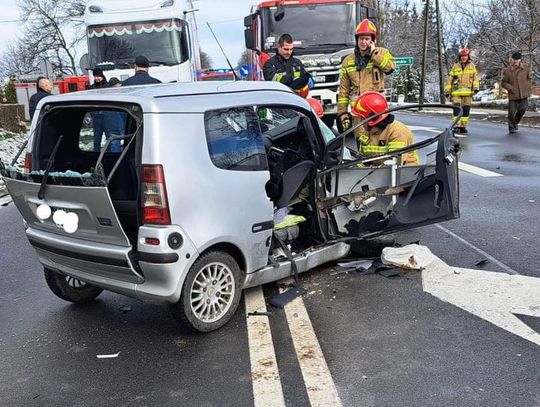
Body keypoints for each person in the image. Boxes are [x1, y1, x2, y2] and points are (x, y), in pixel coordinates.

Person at [337, 19, 395, 135]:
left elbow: (390, 68)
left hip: (378, 111)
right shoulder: (348, 61)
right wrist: (342, 113)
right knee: (362, 143)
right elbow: (344, 90)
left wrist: (374, 54)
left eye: (367, 39)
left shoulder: (381, 53)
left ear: (373, 40)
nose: (363, 42)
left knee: (380, 141)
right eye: (361, 38)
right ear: (357, 40)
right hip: (358, 113)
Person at [351, 91, 419, 166]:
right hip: (377, 173)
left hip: (404, 175)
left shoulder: (397, 132)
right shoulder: (367, 132)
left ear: (372, 119)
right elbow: (363, 159)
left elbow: (394, 165)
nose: (360, 122)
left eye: (362, 119)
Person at [263, 34, 312, 98]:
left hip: (297, 99)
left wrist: (309, 80)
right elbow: (271, 80)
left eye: (291, 49)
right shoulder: (270, 64)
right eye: (286, 49)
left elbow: (305, 79)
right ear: (278, 47)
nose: (289, 52)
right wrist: (285, 79)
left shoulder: (297, 63)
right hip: (279, 100)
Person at [444, 48, 479, 135]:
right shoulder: (455, 66)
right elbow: (450, 79)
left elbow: (475, 78)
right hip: (456, 93)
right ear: (460, 57)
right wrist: (447, 91)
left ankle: (463, 126)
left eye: (465, 56)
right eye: (462, 56)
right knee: (456, 110)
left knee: (466, 111)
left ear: (468, 57)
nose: (463, 58)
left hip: (467, 94)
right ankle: (456, 126)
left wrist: (476, 88)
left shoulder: (472, 66)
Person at [501, 52, 532, 134]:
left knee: (523, 109)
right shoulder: (508, 70)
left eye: (517, 59)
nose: (515, 61)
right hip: (513, 94)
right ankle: (511, 127)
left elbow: (529, 78)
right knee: (511, 112)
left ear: (520, 59)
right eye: (514, 59)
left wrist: (527, 85)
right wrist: (510, 88)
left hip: (523, 93)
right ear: (512, 59)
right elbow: (503, 83)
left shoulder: (525, 68)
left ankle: (515, 123)